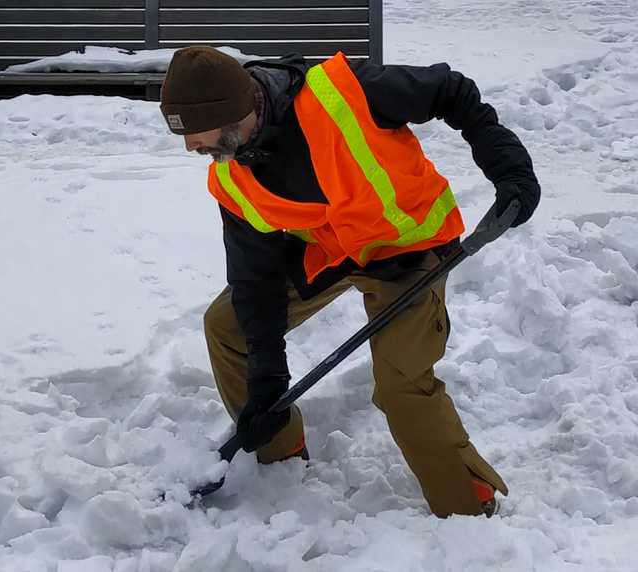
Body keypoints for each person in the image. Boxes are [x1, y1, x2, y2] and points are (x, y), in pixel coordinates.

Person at [159, 46, 540, 518]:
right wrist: (267, 380)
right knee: (228, 324)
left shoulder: (345, 91)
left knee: (401, 383)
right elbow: (253, 279)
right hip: (334, 253)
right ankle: (278, 452)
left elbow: (452, 91)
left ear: (235, 115)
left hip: (411, 249)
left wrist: (509, 168)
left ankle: (468, 505)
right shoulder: (231, 173)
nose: (190, 147)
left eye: (195, 134)